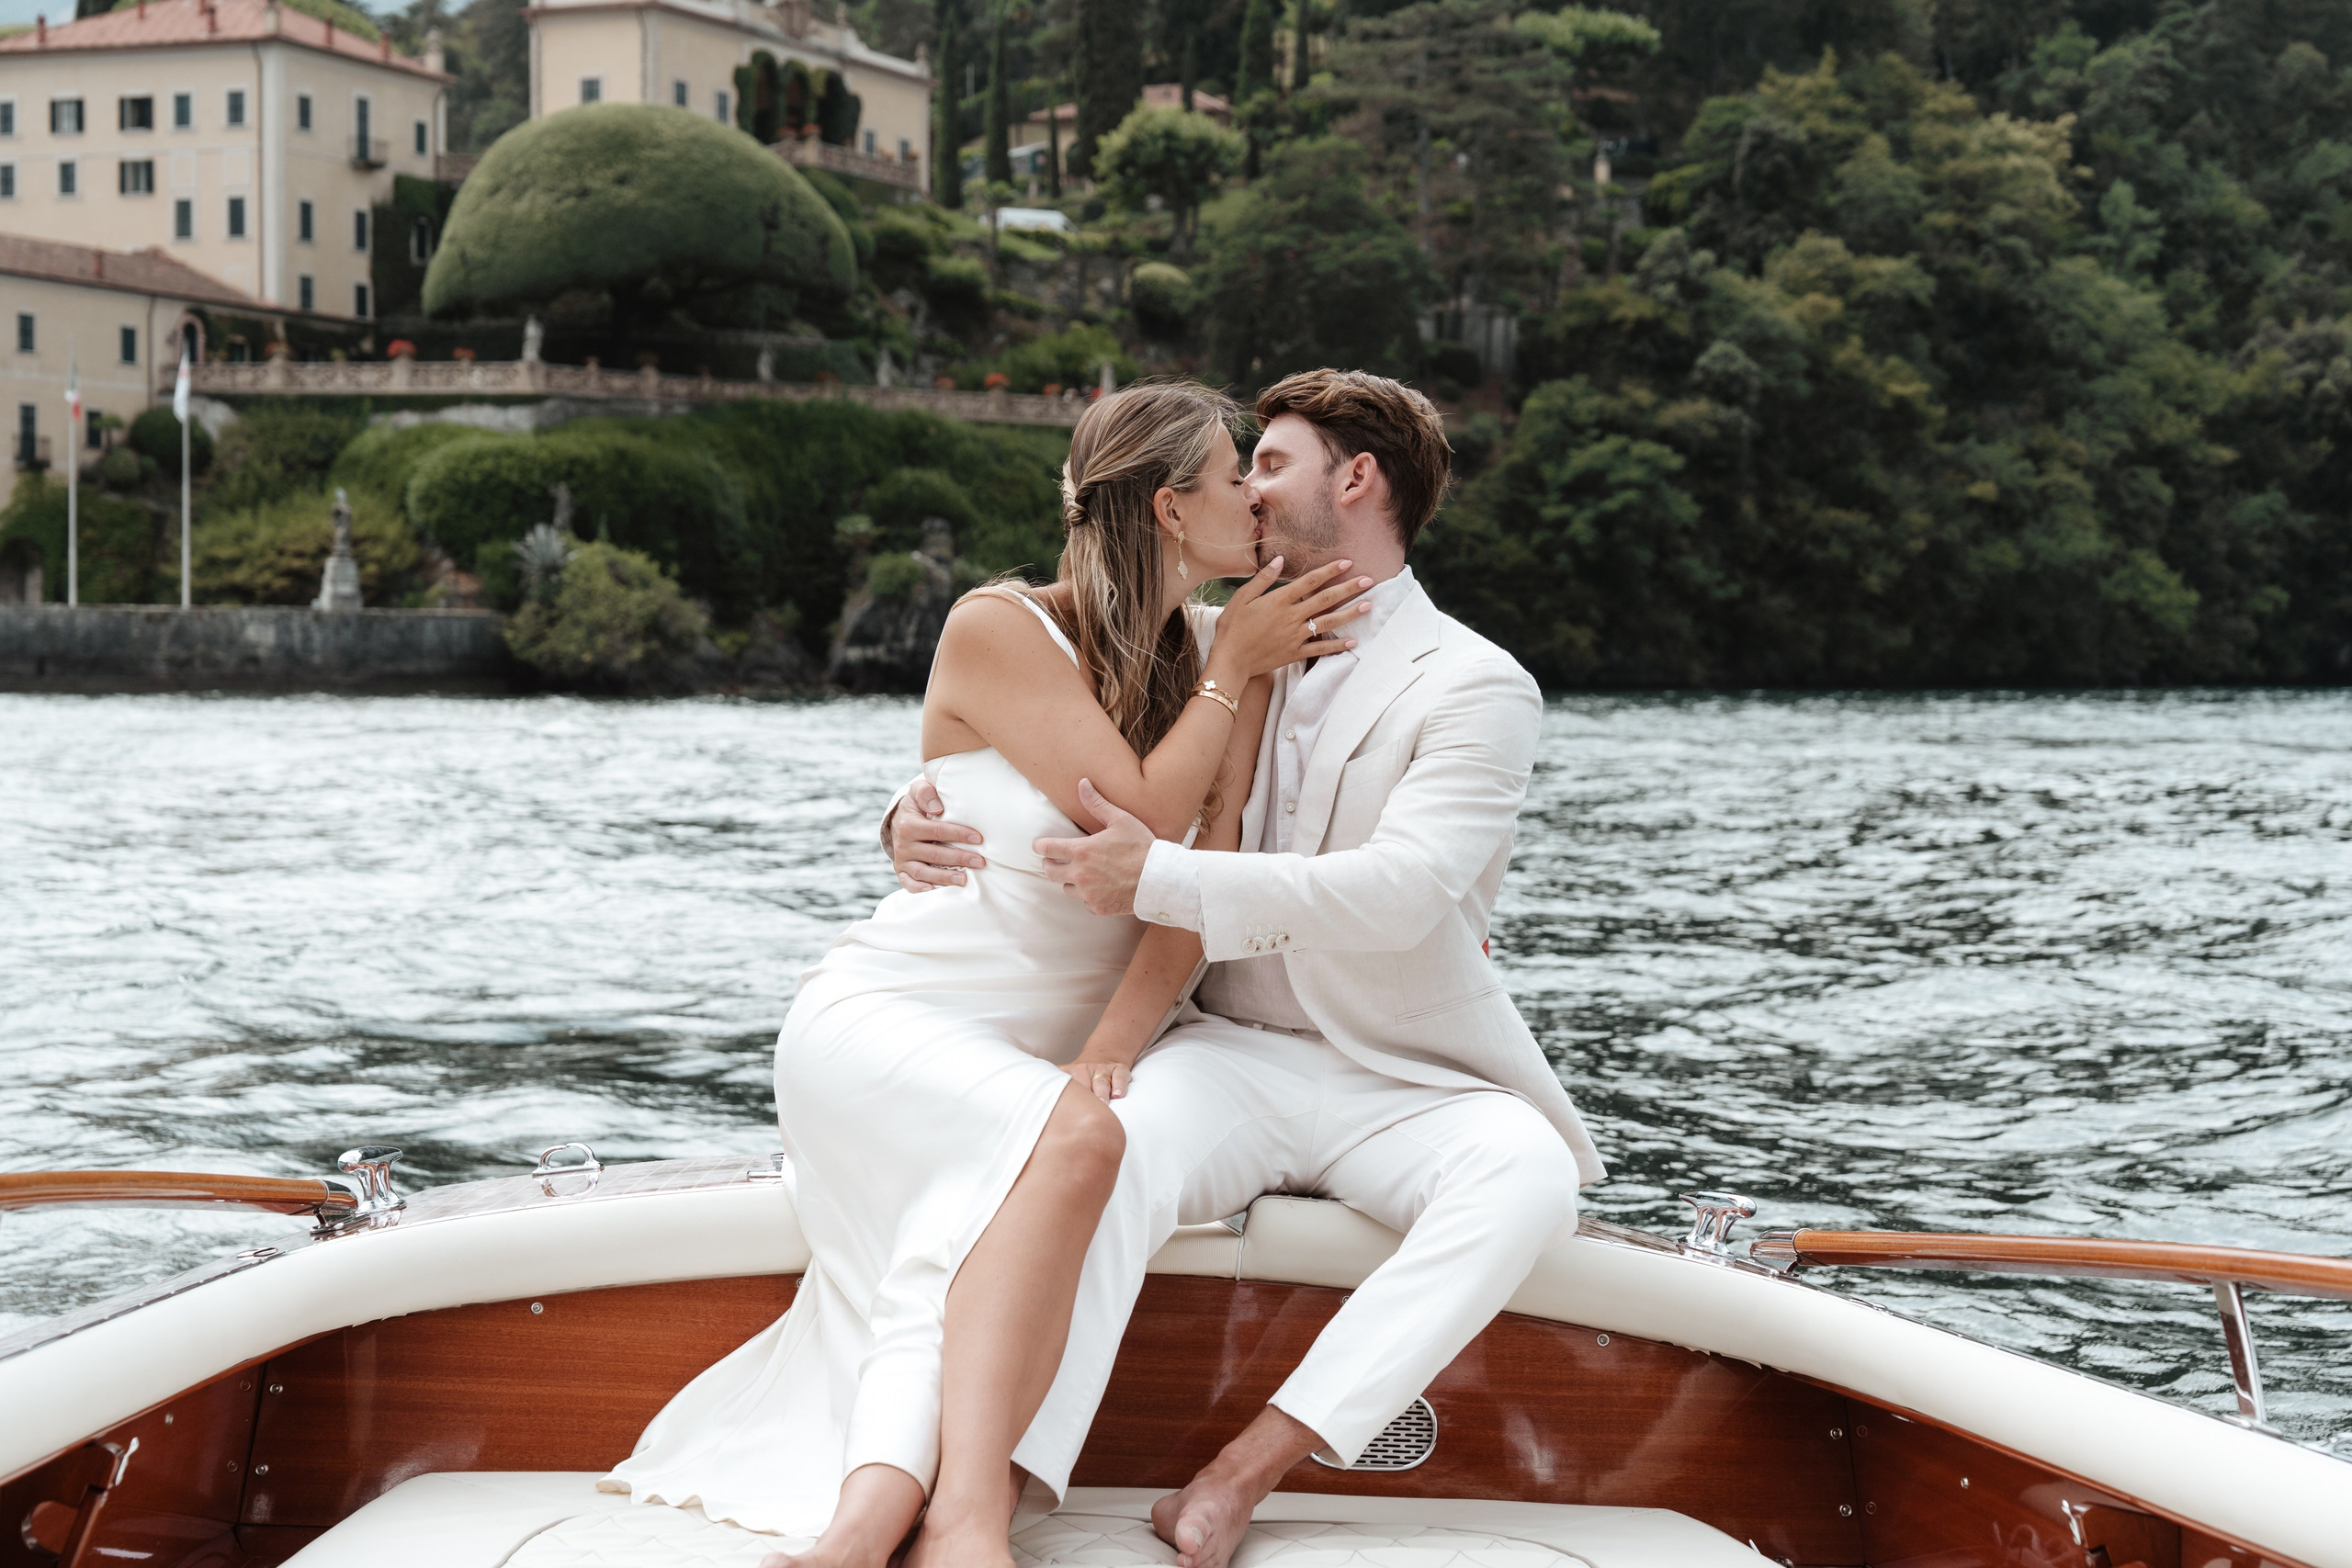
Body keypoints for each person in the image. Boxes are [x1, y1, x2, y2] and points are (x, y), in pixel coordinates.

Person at [601, 381, 1377, 1568]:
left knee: (965, 1228)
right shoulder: (1001, 626)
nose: (1258, 506)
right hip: (890, 1020)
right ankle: (966, 1519)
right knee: (1069, 1144)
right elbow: (1140, 824)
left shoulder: (1230, 654)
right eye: (1237, 480)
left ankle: (865, 1531)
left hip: (1025, 1062)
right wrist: (1235, 680)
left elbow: (1192, 896)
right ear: (1173, 510)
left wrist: (1114, 1045)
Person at [887, 368, 1610, 1568]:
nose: (1249, 493)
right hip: (1223, 1049)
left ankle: (1236, 1478)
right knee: (1091, 1152)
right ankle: (995, 1495)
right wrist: (903, 816)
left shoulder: (1479, 685)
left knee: (1528, 1177)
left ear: (1357, 481)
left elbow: (1396, 894)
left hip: (1403, 1075)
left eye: (1268, 464)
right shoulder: (1219, 643)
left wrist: (1161, 881)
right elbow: (1038, 746)